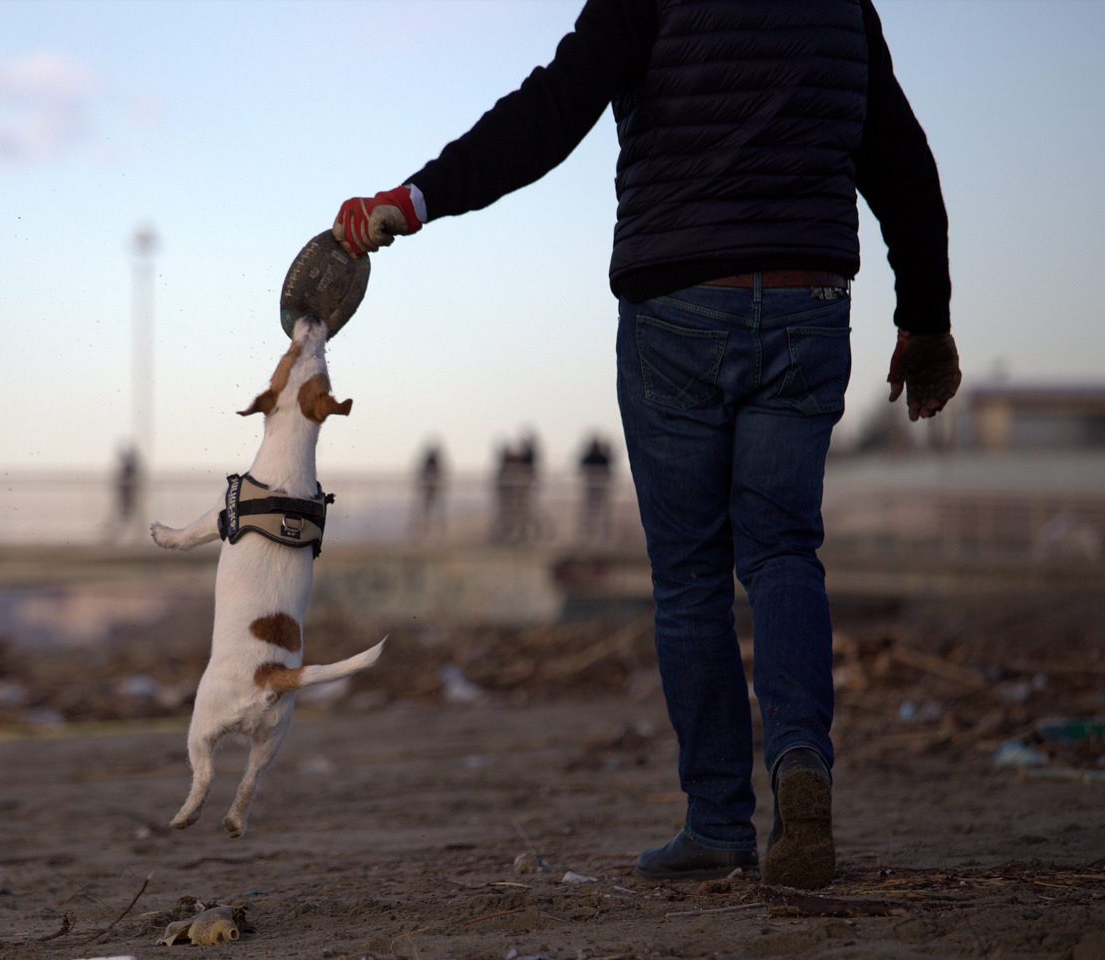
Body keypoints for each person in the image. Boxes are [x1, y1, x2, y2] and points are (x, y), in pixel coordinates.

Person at [331, 0, 961, 889]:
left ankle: (717, 826)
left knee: (691, 579)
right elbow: (898, 157)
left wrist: (419, 197)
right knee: (784, 551)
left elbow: (553, 110)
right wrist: (925, 320)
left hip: (678, 305)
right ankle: (799, 765)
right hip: (806, 301)